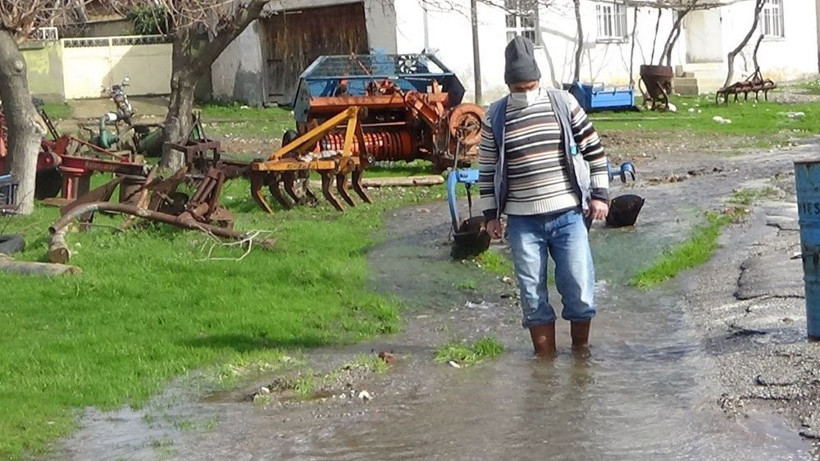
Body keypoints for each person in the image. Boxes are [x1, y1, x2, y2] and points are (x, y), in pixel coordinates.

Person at [478, 36, 610, 358]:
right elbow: (485, 168)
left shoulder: (563, 103)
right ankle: (545, 362)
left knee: (580, 289)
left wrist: (600, 196)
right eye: (519, 88)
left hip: (568, 215)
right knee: (532, 296)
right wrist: (491, 215)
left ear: (539, 80)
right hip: (522, 221)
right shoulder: (495, 116)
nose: (525, 93)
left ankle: (581, 356)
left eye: (531, 85)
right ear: (509, 85)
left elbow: (594, 150)